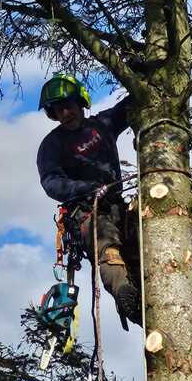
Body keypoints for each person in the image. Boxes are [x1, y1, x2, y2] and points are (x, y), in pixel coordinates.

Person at [36, 73, 142, 327]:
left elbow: (130, 105)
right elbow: (51, 182)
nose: (65, 113)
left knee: (144, 246)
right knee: (109, 252)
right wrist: (87, 188)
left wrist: (140, 75)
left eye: (68, 106)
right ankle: (125, 295)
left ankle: (169, 295)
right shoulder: (52, 145)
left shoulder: (102, 124)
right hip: (87, 213)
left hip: (119, 207)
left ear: (80, 103)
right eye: (58, 110)